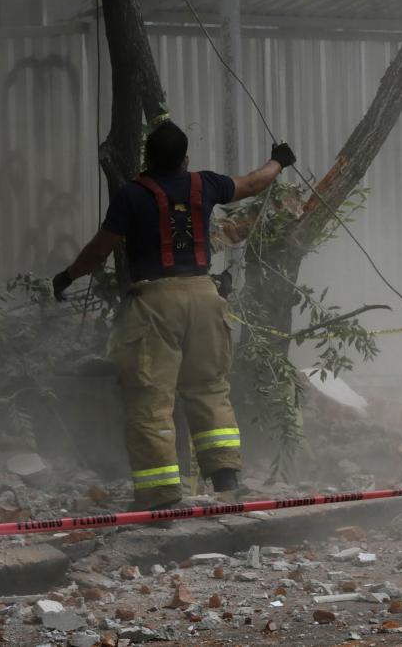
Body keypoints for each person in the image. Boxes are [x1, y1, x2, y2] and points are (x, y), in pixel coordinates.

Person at [53, 121, 296, 509]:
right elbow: (253, 183)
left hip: (155, 302)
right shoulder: (207, 184)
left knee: (151, 397)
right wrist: (279, 161)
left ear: (146, 159)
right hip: (205, 296)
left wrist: (67, 276)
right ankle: (226, 479)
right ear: (185, 159)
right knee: (209, 388)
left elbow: (100, 249)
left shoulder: (132, 194)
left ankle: (160, 494)